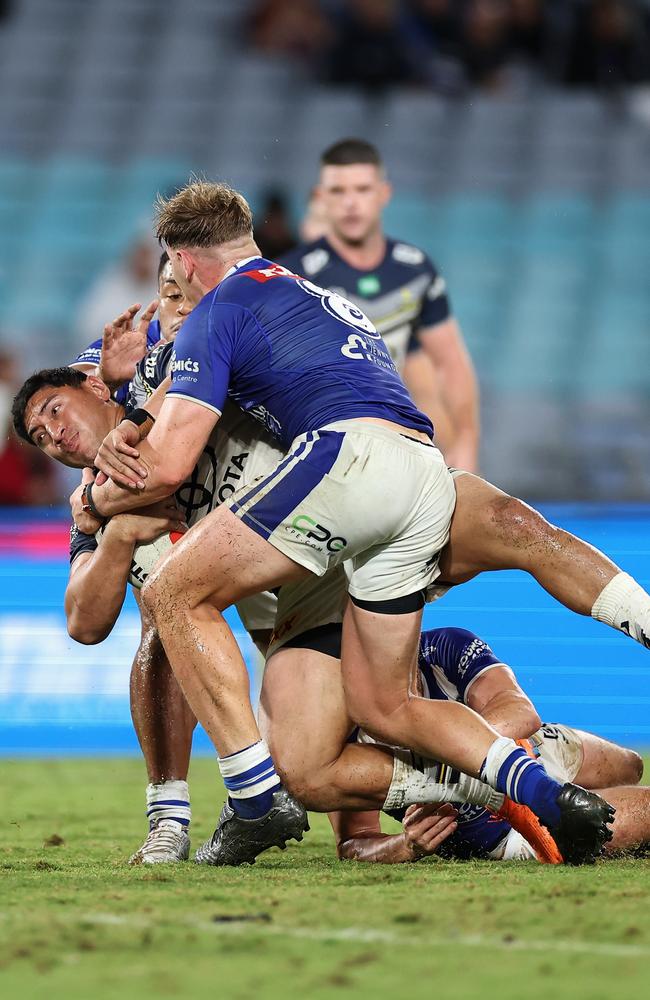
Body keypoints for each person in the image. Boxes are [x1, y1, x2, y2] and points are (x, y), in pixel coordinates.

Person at [60, 179, 620, 865]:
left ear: (182, 270)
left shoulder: (222, 319)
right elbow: (93, 385)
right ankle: (487, 787)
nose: (174, 311)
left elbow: (163, 458)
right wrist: (115, 398)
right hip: (286, 564)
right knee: (319, 752)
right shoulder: (169, 353)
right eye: (164, 308)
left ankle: (250, 801)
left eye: (178, 294)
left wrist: (97, 498)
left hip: (332, 510)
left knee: (512, 530)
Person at [321, 626, 648, 864]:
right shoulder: (342, 723)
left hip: (533, 749)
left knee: (631, 765)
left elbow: (520, 710)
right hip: (500, 833)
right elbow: (354, 841)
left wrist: (463, 758)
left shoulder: (443, 649)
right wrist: (406, 845)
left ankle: (553, 787)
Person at [280, 138, 479, 471]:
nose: (351, 204)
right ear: (321, 197)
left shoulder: (414, 270)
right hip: (322, 447)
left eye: (362, 189)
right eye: (338, 191)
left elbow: (450, 363)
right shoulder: (292, 277)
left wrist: (466, 440)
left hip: (396, 442)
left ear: (384, 194)